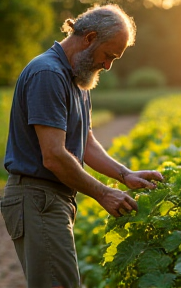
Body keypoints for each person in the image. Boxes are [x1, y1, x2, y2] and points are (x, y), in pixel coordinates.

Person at [0, 4, 163, 288]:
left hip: (52, 200)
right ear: (89, 38)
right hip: (37, 198)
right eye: (108, 55)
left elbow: (84, 141)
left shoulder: (76, 80)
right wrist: (103, 193)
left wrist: (125, 175)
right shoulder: (48, 74)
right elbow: (53, 156)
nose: (108, 65)